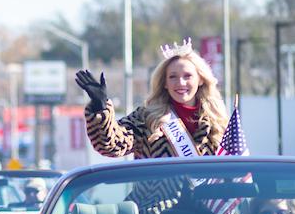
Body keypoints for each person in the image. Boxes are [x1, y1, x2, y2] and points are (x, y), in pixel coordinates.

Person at [76, 38, 229, 161]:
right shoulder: (146, 117)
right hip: (156, 200)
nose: (181, 83)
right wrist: (100, 106)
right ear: (165, 83)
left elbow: (235, 167)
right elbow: (112, 145)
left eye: (187, 76)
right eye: (173, 77)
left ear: (201, 80)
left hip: (207, 199)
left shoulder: (218, 121)